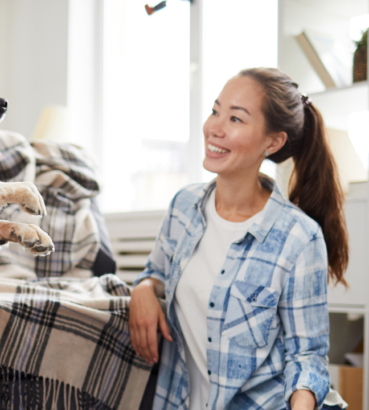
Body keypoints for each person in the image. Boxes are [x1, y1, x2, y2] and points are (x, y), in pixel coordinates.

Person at [129, 68, 349, 410]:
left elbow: (307, 356)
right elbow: (154, 272)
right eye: (215, 111)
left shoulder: (299, 237)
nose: (214, 127)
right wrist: (143, 290)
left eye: (235, 118)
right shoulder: (183, 207)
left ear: (273, 142)